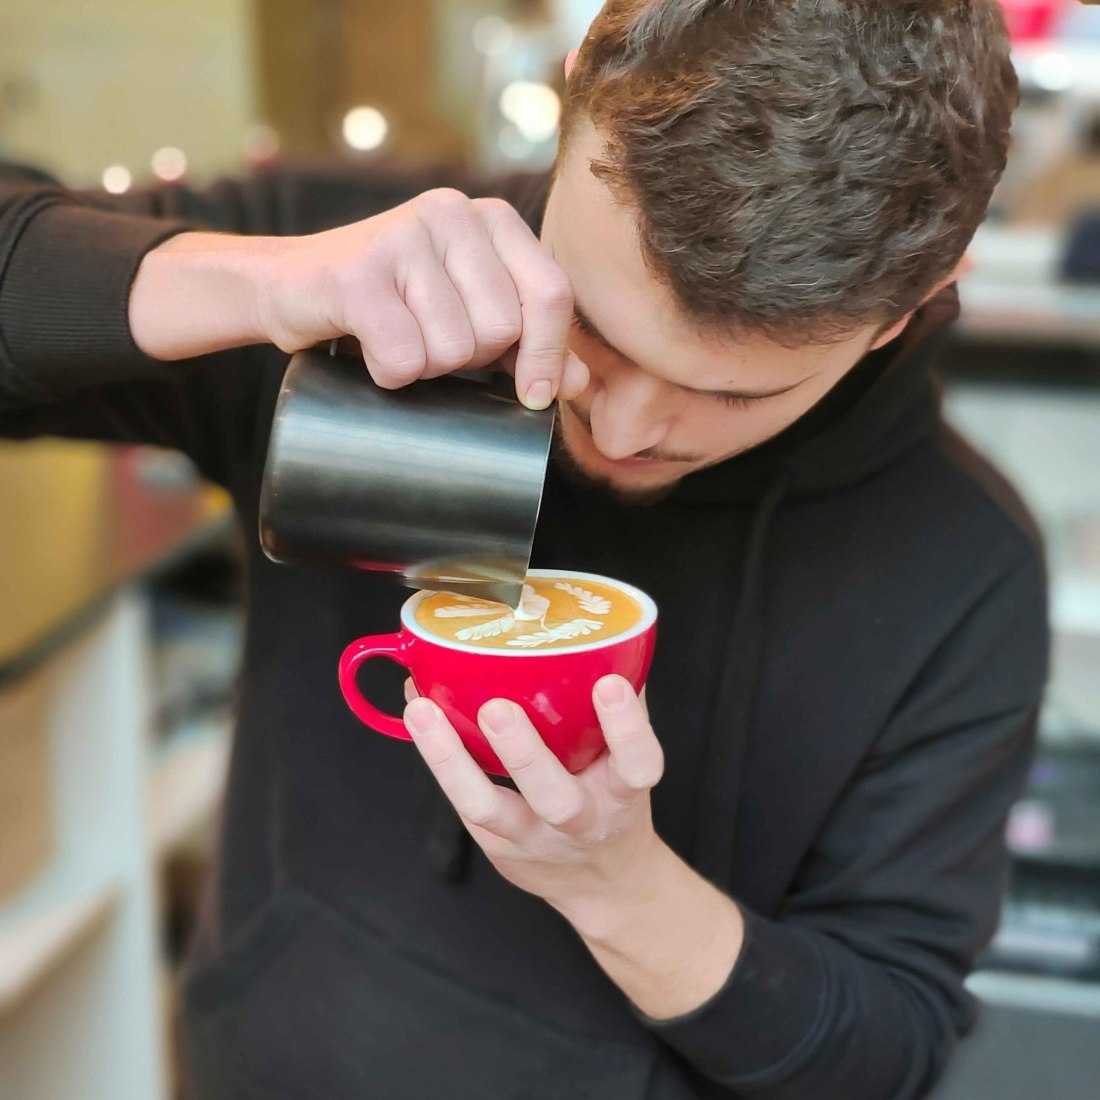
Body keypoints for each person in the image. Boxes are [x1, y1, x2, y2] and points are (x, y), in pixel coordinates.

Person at [0, 2, 1048, 1097]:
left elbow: (885, 1048)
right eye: (595, 323)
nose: (625, 429)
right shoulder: (355, 271)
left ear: (908, 306)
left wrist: (618, 889)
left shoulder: (963, 564)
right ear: (572, 104)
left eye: (732, 394)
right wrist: (256, 287)